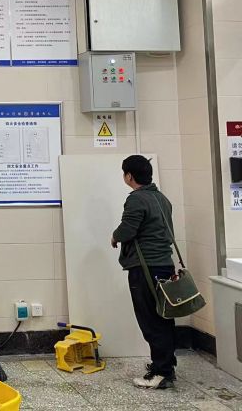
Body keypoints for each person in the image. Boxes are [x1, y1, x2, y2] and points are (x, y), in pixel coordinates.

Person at [111, 155, 177, 389]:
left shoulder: (137, 199)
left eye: (124, 173)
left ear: (129, 176)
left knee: (151, 320)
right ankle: (166, 365)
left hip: (146, 268)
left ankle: (161, 372)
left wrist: (115, 237)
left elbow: (128, 229)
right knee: (164, 317)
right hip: (164, 265)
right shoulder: (161, 198)